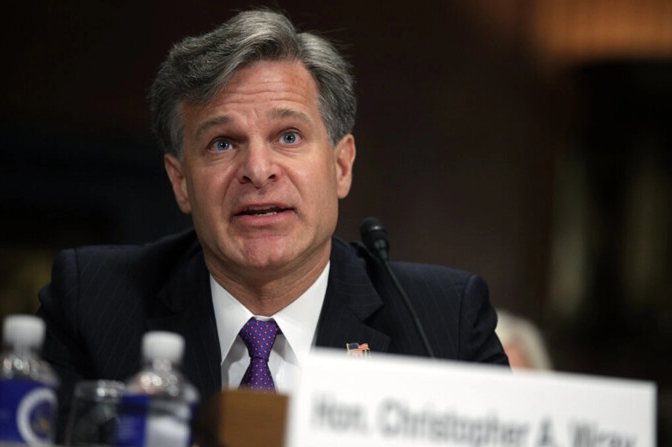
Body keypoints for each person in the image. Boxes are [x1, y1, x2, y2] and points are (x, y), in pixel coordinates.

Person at [37, 9, 509, 440]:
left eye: (288, 136)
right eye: (222, 143)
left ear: (341, 166)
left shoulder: (443, 323)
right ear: (181, 182)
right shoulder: (92, 303)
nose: (258, 169)